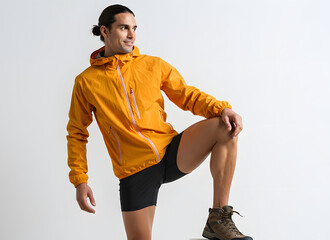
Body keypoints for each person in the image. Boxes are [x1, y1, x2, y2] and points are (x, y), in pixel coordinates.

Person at [66, 4, 252, 240]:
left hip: (170, 152)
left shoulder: (153, 65)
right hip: (134, 171)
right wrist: (80, 181)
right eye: (124, 28)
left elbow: (187, 95)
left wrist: (222, 108)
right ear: (105, 31)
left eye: (134, 28)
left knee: (223, 126)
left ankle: (218, 218)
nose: (131, 34)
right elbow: (77, 133)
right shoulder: (86, 82)